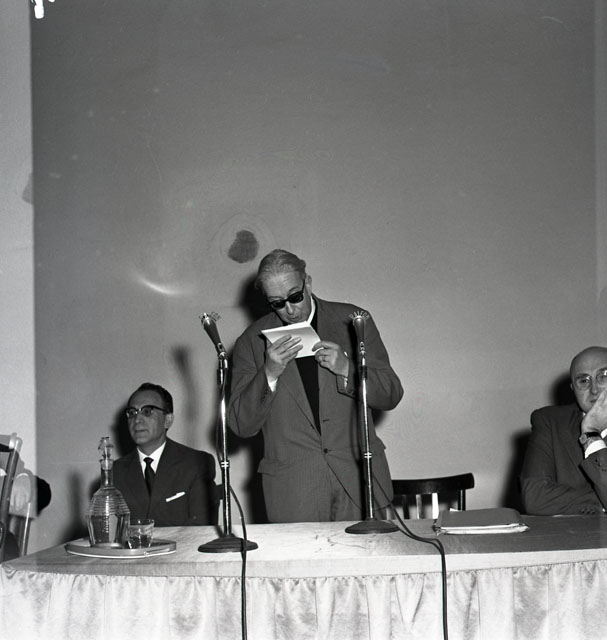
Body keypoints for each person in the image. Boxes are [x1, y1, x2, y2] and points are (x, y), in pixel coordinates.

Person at [228, 249, 404, 522]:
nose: (290, 310)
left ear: (308, 283)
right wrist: (269, 373)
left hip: (360, 481)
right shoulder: (251, 342)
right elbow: (241, 424)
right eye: (277, 303)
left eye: (295, 297)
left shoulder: (354, 321)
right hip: (294, 493)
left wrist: (348, 369)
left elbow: (390, 393)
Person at [113, 383, 218, 526]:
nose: (137, 419)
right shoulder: (115, 472)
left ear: (168, 420)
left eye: (147, 411)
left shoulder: (197, 463)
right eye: (132, 412)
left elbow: (202, 528)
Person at [520, 346, 607, 515]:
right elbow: (535, 498)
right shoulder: (550, 421)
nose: (594, 390)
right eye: (584, 381)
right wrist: (591, 434)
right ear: (573, 389)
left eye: (603, 376)